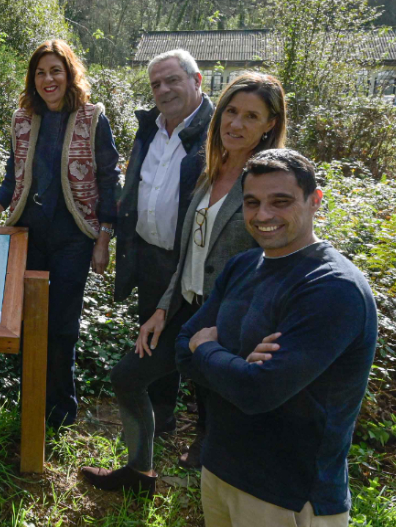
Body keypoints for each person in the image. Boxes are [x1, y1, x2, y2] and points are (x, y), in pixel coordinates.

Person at [82, 73, 288, 494]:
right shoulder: (211, 168)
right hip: (189, 309)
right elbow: (189, 252)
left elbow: (283, 260)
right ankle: (139, 473)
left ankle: (227, 499)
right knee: (128, 376)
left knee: (226, 414)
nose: (236, 123)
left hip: (236, 321)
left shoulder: (269, 182)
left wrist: (244, 326)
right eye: (231, 111)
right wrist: (161, 308)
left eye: (252, 116)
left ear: (270, 124)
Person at [175, 149, 377, 526]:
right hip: (220, 470)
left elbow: (257, 392)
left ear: (315, 200)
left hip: (288, 496)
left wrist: (208, 348)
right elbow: (181, 350)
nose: (262, 215)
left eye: (280, 202)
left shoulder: (331, 288)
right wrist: (235, 364)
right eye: (252, 203)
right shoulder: (243, 265)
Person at [0, 39, 120, 429]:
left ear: (69, 74)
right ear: (33, 78)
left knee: (62, 326)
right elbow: (12, 180)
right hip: (27, 233)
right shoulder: (23, 118)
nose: (48, 79)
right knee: (27, 321)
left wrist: (102, 239)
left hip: (73, 237)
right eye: (41, 72)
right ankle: (28, 400)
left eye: (56, 71)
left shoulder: (92, 117)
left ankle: (60, 413)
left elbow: (109, 179)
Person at [113, 49, 215, 446]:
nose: (163, 90)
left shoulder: (217, 131)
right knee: (154, 344)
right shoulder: (149, 128)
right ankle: (161, 421)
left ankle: (208, 440)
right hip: (152, 257)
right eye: (156, 84)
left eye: (172, 80)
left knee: (204, 346)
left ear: (197, 80)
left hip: (197, 263)